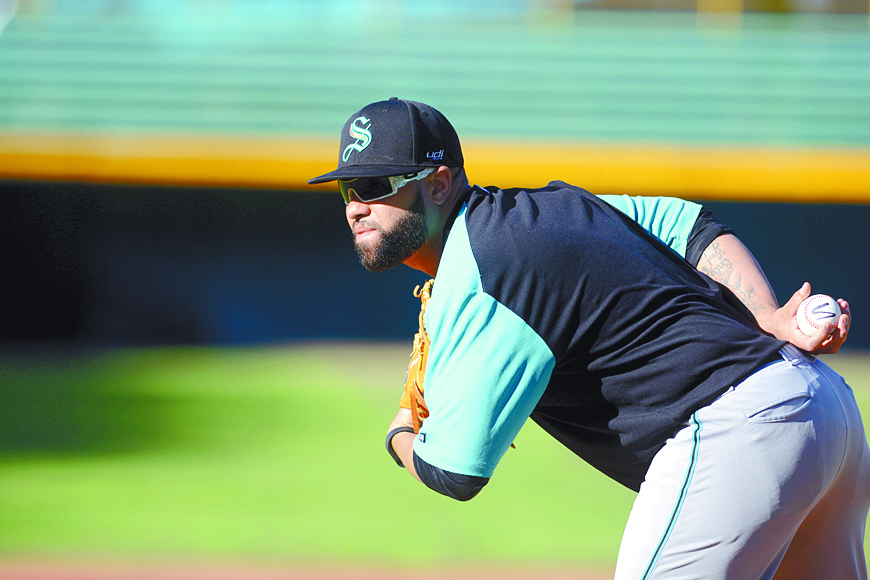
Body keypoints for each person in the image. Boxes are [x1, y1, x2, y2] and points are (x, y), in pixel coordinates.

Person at [308, 98, 868, 579]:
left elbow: (455, 471)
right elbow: (689, 226)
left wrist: (400, 433)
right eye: (347, 189)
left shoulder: (475, 271)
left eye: (375, 186)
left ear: (438, 183)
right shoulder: (555, 207)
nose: (355, 206)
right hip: (826, 409)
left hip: (739, 432)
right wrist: (765, 314)